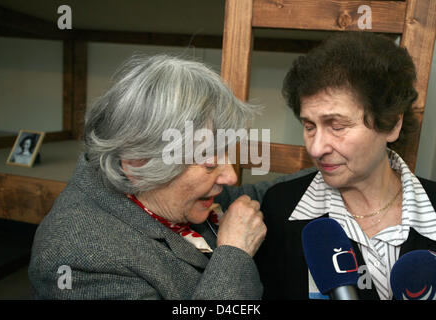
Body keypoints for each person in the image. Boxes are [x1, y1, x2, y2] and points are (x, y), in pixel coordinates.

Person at [28, 54, 309, 299]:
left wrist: (338, 167)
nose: (230, 177)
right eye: (209, 162)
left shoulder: (167, 192)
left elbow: (262, 196)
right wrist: (234, 253)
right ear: (139, 163)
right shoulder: (80, 258)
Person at [255, 32, 436, 300]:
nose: (316, 148)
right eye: (308, 126)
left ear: (391, 123)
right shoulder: (281, 210)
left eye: (337, 126)